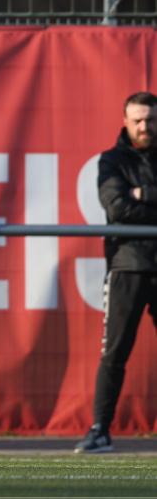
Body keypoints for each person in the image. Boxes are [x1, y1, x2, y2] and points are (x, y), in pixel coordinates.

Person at [75, 91, 157, 453]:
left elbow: (131, 204)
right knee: (115, 352)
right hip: (129, 265)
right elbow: (117, 207)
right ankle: (99, 429)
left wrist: (145, 193)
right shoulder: (111, 160)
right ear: (125, 121)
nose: (145, 127)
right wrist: (132, 198)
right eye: (138, 120)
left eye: (151, 120)